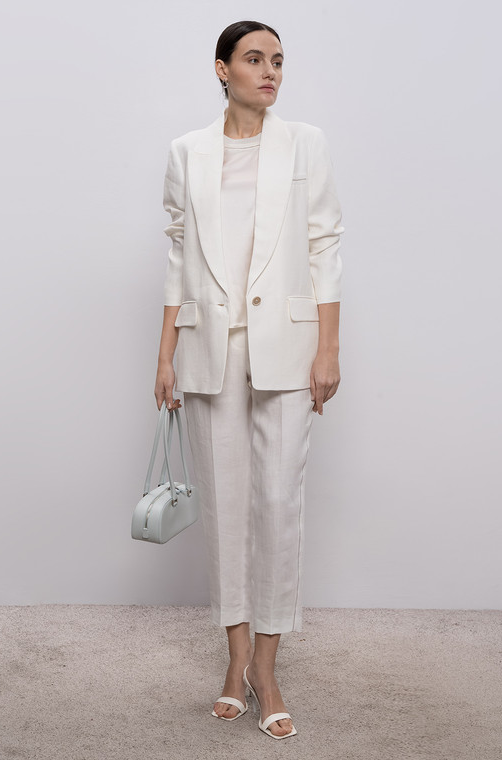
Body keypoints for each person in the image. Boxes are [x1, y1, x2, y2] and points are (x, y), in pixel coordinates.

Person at [153, 20, 343, 739]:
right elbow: (178, 256)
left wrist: (328, 349)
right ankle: (235, 661)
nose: (270, 72)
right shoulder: (188, 152)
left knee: (276, 502)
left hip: (288, 347)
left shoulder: (305, 144)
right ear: (221, 69)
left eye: (278, 61)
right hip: (211, 348)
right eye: (255, 59)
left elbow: (325, 244)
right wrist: (164, 354)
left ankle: (268, 666)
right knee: (226, 507)